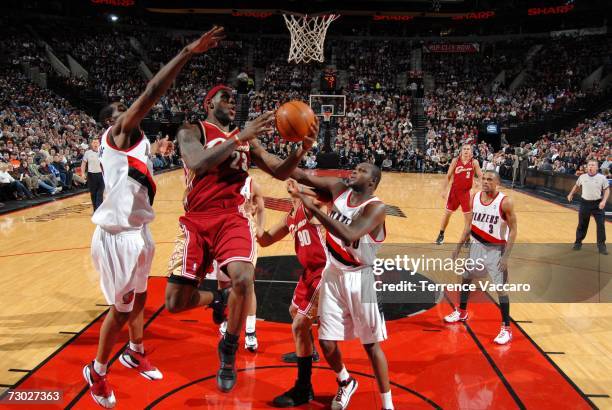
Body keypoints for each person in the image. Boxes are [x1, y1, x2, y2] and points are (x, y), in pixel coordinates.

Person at [83, 26, 225, 409]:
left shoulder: (140, 141)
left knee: (144, 295)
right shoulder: (120, 133)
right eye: (121, 111)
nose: (129, 111)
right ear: (113, 123)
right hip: (117, 237)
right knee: (121, 308)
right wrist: (188, 53)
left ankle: (135, 350)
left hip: (139, 232)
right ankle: (97, 371)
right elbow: (151, 93)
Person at [164, 84, 318, 392]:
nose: (232, 103)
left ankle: (228, 352)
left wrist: (301, 150)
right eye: (225, 98)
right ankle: (218, 299)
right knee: (175, 303)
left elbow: (277, 170)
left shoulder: (247, 139)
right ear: (209, 103)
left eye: (234, 99)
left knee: (243, 278)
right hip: (196, 219)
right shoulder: (192, 130)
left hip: (232, 216)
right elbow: (197, 163)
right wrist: (241, 136)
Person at [288, 163, 394, 410]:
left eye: (363, 170)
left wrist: (313, 206)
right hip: (333, 272)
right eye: (355, 168)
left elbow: (349, 234)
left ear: (372, 182)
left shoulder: (376, 208)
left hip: (361, 278)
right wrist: (258, 152)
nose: (355, 171)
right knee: (325, 340)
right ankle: (346, 381)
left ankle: (388, 405)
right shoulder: (339, 189)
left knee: (370, 345)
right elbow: (302, 174)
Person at [257, 181, 328, 407]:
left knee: (299, 325)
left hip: (322, 272)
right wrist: (253, 217)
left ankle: (303, 388)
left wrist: (301, 190)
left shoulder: (310, 206)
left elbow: (324, 194)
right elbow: (265, 239)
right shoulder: (291, 216)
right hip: (308, 274)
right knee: (294, 311)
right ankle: (311, 351)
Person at [444, 170, 518, 345]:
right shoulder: (474, 197)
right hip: (476, 246)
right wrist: (458, 246)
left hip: (495, 249)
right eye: (483, 178)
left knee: (501, 289)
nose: (485, 181)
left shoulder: (505, 202)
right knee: (466, 278)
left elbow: (513, 230)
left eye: (490, 179)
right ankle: (462, 312)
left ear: (497, 182)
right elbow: (469, 225)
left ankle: (506, 328)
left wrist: (506, 256)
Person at [436, 144, 483, 245]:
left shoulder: (474, 162)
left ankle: (467, 238)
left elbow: (480, 176)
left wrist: (478, 188)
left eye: (468, 149)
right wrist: (444, 190)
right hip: (454, 192)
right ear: (461, 151)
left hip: (466, 193)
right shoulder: (455, 161)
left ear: (471, 151)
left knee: (468, 218)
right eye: (464, 149)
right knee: (447, 214)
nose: (466, 151)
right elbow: (448, 175)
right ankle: (441, 234)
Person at [567, 159, 609, 255]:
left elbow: (606, 190)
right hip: (585, 203)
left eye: (593, 165)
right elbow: (577, 186)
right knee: (582, 224)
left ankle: (601, 246)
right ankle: (578, 243)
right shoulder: (582, 177)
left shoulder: (602, 178)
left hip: (598, 204)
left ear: (597, 167)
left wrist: (604, 201)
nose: (590, 167)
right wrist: (571, 194)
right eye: (589, 165)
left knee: (601, 225)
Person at [82, 138, 105, 211]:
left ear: (99, 144)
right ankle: (95, 209)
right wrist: (82, 173)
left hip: (101, 175)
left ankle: (99, 209)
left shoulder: (103, 152)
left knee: (100, 193)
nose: (95, 144)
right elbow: (83, 163)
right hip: (91, 175)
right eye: (94, 142)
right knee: (93, 193)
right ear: (91, 144)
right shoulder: (87, 153)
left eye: (96, 143)